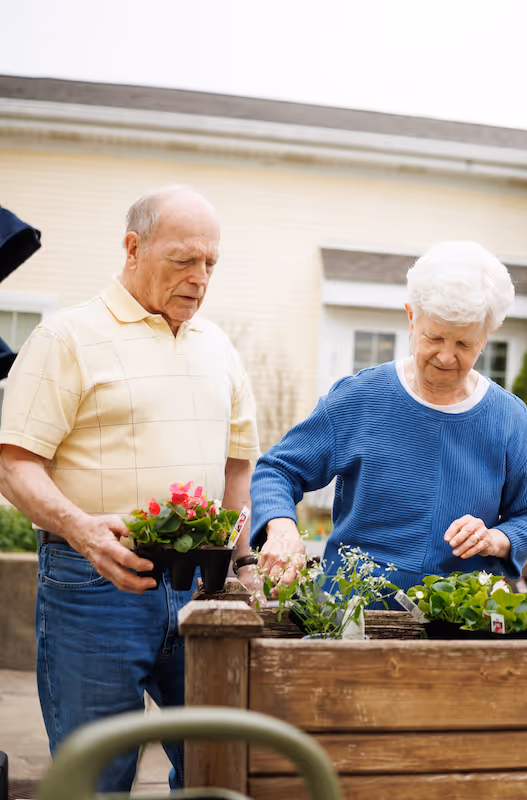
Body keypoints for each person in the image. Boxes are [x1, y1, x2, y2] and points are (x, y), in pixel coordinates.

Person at [0, 186, 259, 792]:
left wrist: (242, 562)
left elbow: (237, 468)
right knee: (97, 778)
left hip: (201, 588)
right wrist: (82, 529)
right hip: (90, 586)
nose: (200, 278)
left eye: (211, 264)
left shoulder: (219, 348)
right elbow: (14, 464)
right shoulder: (67, 337)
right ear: (133, 248)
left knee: (216, 769)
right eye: (184, 259)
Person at [251, 241, 527, 595]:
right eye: (434, 337)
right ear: (411, 317)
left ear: (487, 336)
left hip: (457, 621)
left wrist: (496, 538)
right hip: (349, 615)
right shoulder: (359, 398)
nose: (446, 356)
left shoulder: (508, 419)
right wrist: (282, 529)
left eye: (464, 345)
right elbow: (278, 470)